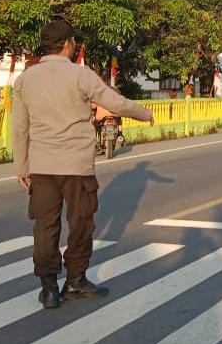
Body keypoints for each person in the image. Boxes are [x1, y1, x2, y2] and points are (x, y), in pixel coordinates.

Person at [13, 19, 154, 310]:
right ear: (68, 44)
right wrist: (144, 113)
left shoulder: (25, 79)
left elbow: (19, 127)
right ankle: (75, 280)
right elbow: (115, 102)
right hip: (76, 166)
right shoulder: (81, 75)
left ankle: (48, 288)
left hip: (41, 166)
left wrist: (21, 166)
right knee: (80, 223)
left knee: (45, 226)